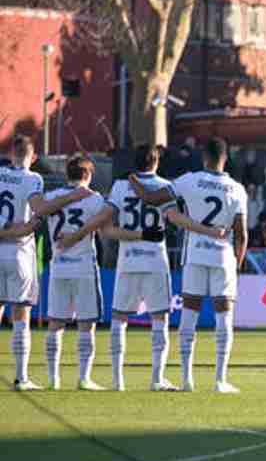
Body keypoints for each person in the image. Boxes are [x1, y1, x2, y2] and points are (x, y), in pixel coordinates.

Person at [55, 144, 227, 391]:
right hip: (155, 260)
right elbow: (175, 218)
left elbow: (105, 222)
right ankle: (157, 379)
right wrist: (208, 230)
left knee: (119, 319)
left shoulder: (120, 187)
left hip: (128, 260)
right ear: (156, 162)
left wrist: (76, 235)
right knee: (160, 319)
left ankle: (117, 380)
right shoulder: (163, 186)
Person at [131, 138, 248, 392]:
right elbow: (242, 234)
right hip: (223, 257)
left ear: (203, 157)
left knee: (189, 316)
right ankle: (220, 380)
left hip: (195, 255)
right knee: (224, 318)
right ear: (225, 158)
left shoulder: (189, 180)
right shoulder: (236, 189)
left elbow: (151, 198)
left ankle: (187, 380)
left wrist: (132, 180)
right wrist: (237, 265)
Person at [2, 135, 93, 391]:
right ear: (33, 157)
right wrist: (72, 197)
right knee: (21, 313)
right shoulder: (33, 178)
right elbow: (39, 208)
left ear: (11, 154)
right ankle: (21, 378)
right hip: (19, 252)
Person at [41, 155, 109, 390]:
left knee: (55, 323)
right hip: (83, 267)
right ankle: (84, 377)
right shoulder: (95, 199)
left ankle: (53, 379)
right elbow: (105, 229)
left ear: (66, 175)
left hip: (59, 266)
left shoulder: (51, 197)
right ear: (88, 175)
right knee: (86, 323)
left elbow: (40, 213)